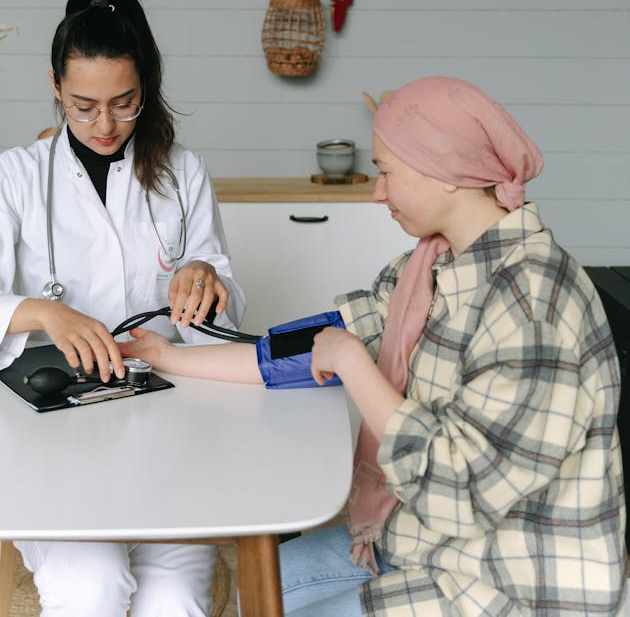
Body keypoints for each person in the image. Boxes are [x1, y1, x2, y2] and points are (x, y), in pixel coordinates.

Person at [130, 76, 627, 616]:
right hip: (420, 540)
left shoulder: (533, 302)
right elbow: (309, 344)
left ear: (449, 173)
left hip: (508, 580)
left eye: (388, 172)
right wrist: (171, 356)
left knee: (276, 603)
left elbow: (459, 492)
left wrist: (352, 363)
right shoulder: (428, 267)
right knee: (260, 587)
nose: (377, 192)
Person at [0, 0, 246, 617]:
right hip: (50, 435)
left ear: (145, 87)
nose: (104, 125)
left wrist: (206, 277)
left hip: (171, 423)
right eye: (83, 106)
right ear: (54, 87)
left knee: (173, 598)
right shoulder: (12, 177)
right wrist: (42, 311)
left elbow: (222, 318)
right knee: (90, 589)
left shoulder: (184, 173)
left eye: (124, 105)